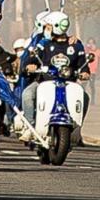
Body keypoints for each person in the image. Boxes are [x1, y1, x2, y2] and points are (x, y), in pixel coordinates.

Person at [19, 10, 91, 141]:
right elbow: (30, 61)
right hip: (44, 82)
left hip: (68, 83)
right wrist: (31, 66)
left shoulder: (76, 46)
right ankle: (30, 127)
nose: (46, 29)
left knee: (84, 97)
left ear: (56, 27)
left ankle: (77, 129)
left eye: (48, 27)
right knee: (27, 94)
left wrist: (85, 73)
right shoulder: (43, 44)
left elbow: (83, 66)